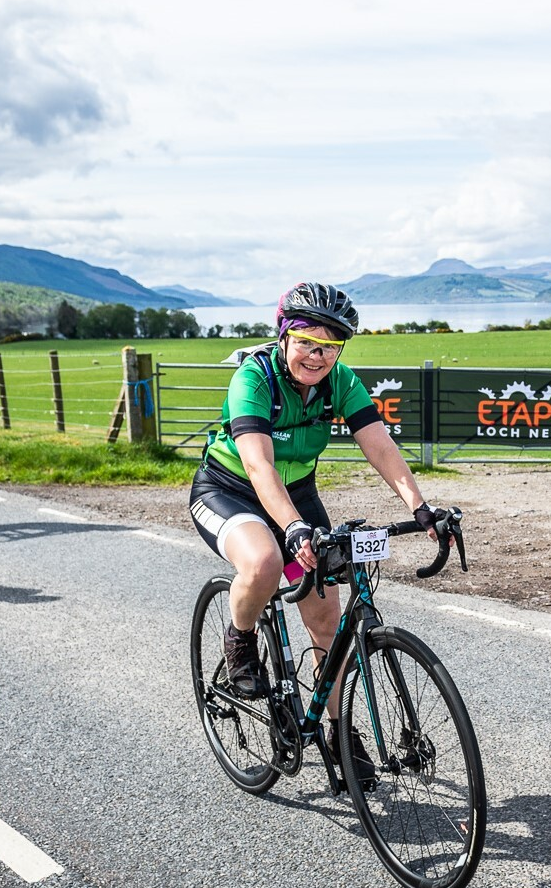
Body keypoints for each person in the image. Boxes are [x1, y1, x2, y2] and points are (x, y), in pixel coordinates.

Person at [189, 282, 449, 780]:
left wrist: (421, 508)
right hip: (230, 490)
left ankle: (338, 732)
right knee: (264, 562)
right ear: (285, 334)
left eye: (331, 346)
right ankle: (241, 638)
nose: (318, 355)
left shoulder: (339, 381)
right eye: (308, 340)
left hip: (299, 495)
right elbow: (259, 466)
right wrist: (291, 529)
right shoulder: (254, 378)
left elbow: (379, 444)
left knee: (327, 618)